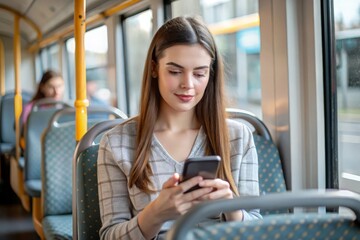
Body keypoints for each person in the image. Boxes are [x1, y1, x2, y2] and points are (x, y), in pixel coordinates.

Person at [97, 16, 262, 240]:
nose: (188, 84)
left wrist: (231, 207)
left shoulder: (238, 137)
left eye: (200, 73)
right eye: (175, 72)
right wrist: (155, 214)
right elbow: (109, 236)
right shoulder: (117, 143)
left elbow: (258, 230)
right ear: (154, 69)